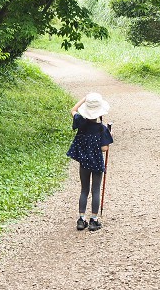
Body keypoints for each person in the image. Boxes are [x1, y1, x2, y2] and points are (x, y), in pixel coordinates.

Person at [67, 92, 113, 232]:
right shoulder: (102, 129)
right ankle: (93, 220)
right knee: (96, 190)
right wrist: (109, 134)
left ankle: (81, 219)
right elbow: (104, 148)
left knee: (84, 189)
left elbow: (73, 110)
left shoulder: (81, 123)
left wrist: (84, 99)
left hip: (84, 162)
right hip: (97, 162)